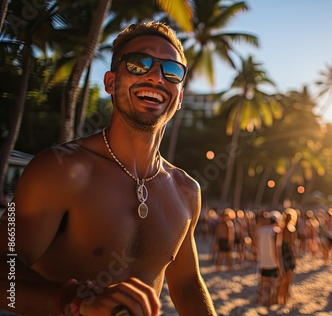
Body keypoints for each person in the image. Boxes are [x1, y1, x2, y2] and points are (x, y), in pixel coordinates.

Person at [0, 21, 217, 315]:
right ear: (110, 82)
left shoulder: (186, 190)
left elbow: (188, 284)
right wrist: (74, 301)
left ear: (178, 98)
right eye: (139, 64)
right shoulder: (58, 169)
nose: (155, 76)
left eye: (172, 71)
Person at [255, 211, 284, 306]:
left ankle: (261, 302)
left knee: (263, 285)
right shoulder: (276, 231)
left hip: (263, 261)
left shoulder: (261, 230)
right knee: (273, 286)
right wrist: (280, 265)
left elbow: (255, 245)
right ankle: (270, 303)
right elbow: (277, 250)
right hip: (273, 263)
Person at [277, 208, 298, 305]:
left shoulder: (280, 229)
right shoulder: (290, 229)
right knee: (288, 279)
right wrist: (294, 257)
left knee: (282, 277)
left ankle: (280, 298)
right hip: (288, 254)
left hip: (281, 253)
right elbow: (291, 245)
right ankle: (285, 298)